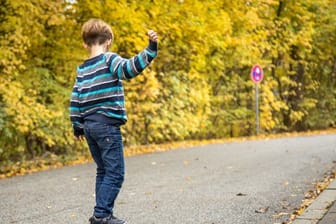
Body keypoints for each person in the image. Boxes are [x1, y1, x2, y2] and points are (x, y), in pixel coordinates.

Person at [69, 18, 158, 224]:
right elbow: (129, 68)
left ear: (85, 43)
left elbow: (75, 99)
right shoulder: (109, 60)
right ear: (108, 40)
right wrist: (151, 49)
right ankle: (101, 215)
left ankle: (102, 213)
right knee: (115, 173)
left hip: (89, 126)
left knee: (103, 170)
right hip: (106, 126)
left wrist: (77, 125)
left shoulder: (82, 70)